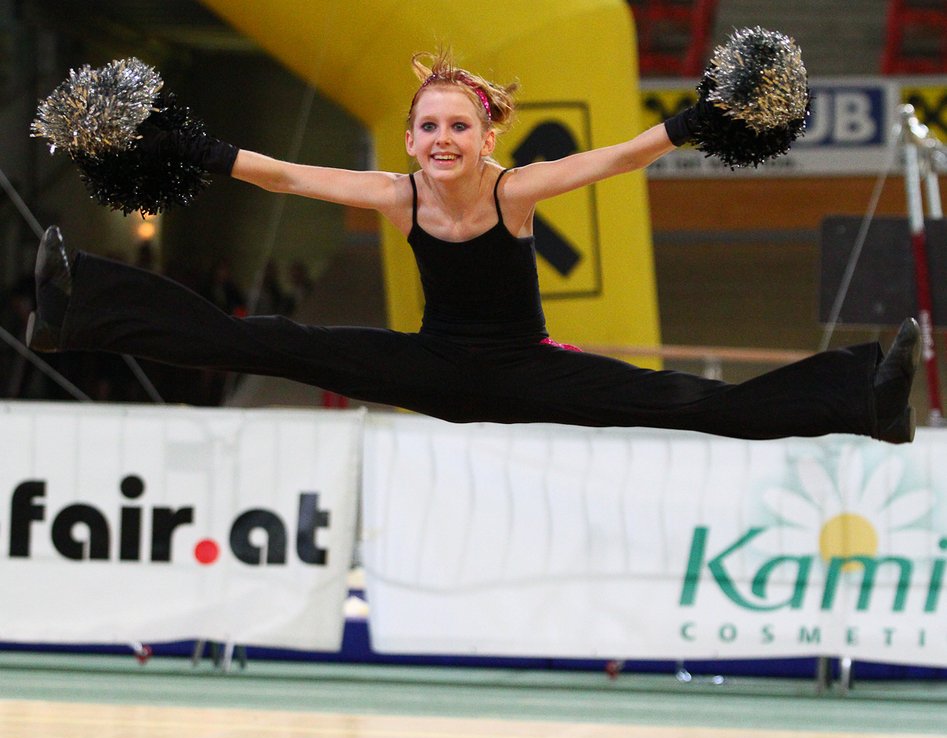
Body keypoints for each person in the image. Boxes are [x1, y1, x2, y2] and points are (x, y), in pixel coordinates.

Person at [27, 50, 920, 443]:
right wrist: (187, 146)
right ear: (408, 139)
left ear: (487, 138)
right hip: (432, 368)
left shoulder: (513, 190)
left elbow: (616, 158)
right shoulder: (396, 194)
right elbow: (286, 178)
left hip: (527, 371)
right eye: (429, 126)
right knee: (264, 339)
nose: (443, 138)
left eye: (459, 125)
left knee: (692, 402)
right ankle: (80, 308)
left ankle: (865, 399)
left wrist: (696, 119)